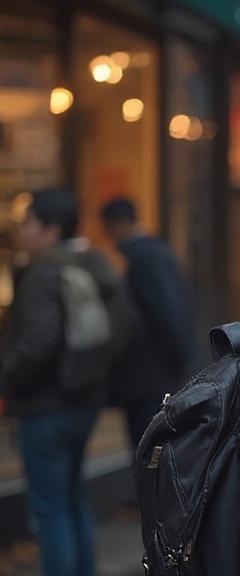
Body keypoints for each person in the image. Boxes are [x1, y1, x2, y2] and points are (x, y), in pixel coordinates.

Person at [0, 189, 126, 576]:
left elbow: (38, 342)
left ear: (51, 229)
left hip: (46, 406)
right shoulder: (94, 264)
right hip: (85, 400)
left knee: (50, 513)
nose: (22, 232)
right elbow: (123, 330)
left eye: (28, 223)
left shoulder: (43, 271)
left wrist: (7, 379)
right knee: (73, 501)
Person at [101, 198, 196, 452]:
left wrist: (185, 357)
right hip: (156, 371)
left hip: (149, 374)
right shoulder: (155, 251)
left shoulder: (142, 257)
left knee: (149, 448)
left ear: (118, 224)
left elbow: (165, 310)